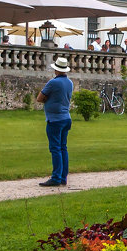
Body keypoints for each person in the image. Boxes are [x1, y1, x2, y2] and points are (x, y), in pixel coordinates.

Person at [36, 56, 73, 187]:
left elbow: (39, 98)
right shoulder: (70, 82)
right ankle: (63, 176)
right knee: (63, 148)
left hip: (55, 119)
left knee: (55, 148)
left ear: (56, 70)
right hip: (66, 117)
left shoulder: (53, 82)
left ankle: (56, 177)